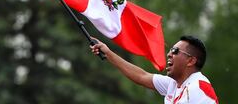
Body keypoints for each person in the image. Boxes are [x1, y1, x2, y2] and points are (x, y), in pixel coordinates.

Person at [91, 35, 219, 103]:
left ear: (191, 60)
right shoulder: (174, 84)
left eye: (175, 51)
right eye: (170, 50)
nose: (169, 54)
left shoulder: (199, 89)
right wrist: (108, 53)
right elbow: (141, 76)